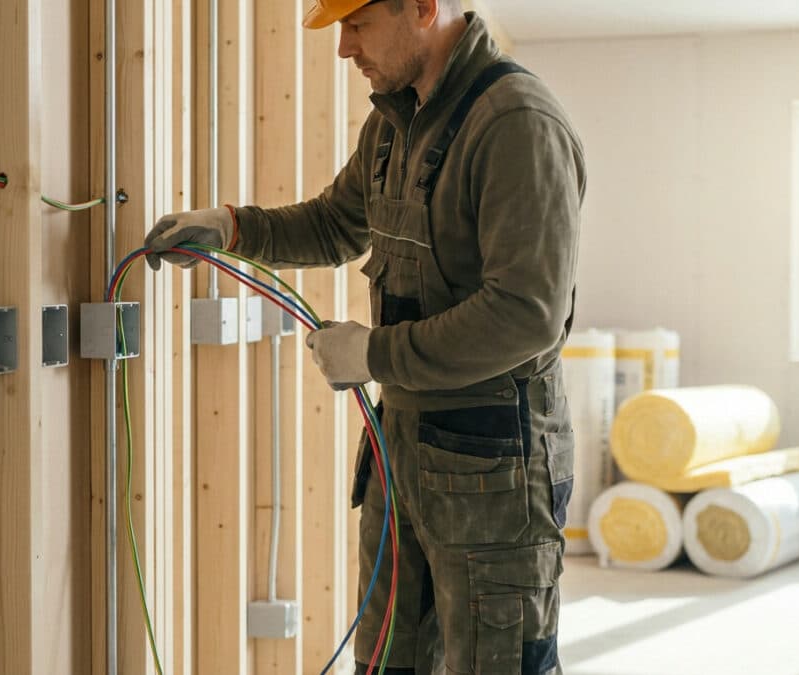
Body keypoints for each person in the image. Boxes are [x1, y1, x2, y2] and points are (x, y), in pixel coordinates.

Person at [144, 0, 585, 672]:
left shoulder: (516, 123)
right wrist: (231, 227)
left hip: (496, 479)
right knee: (387, 662)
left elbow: (524, 314)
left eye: (357, 24)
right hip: (404, 458)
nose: (345, 48)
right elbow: (336, 223)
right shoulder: (393, 120)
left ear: (422, 8)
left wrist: (372, 353)